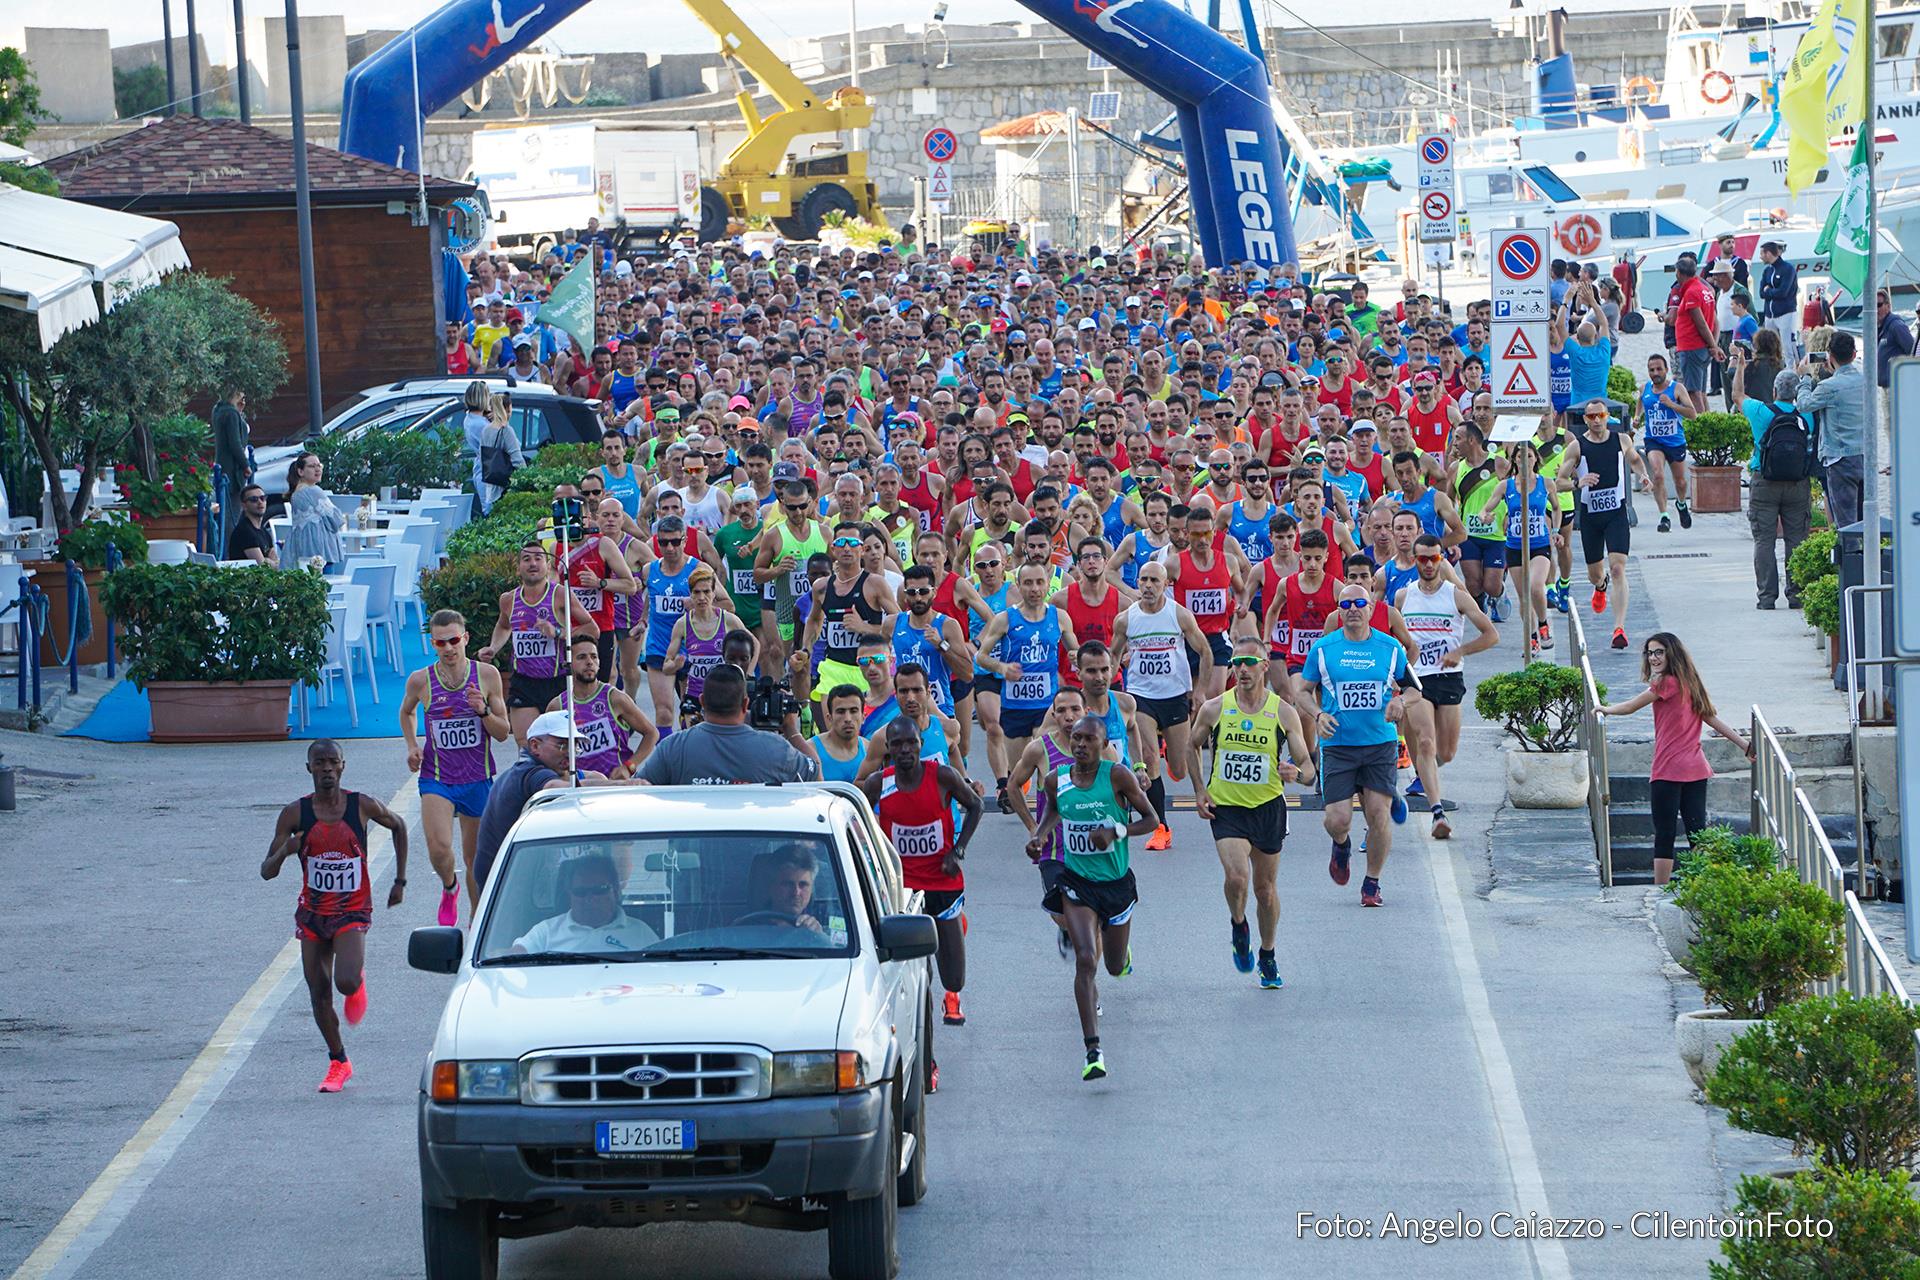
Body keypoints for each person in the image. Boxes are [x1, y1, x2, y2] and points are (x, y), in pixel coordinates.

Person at [261, 740, 409, 1093]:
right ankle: (339, 1061)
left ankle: (356, 981)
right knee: (318, 993)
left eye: (332, 763)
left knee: (345, 982)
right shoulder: (294, 814)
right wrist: (286, 850)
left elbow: (399, 826)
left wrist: (399, 881)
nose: (326, 768)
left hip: (351, 910)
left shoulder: (361, 805)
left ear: (343, 767)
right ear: (309, 768)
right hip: (312, 913)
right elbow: (267, 871)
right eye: (319, 763)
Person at [1026, 714, 1160, 1082]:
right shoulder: (1057, 780)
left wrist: (1116, 830)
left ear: (1103, 746)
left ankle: (1122, 951)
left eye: (1089, 739)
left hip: (1116, 885)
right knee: (1086, 960)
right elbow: (1053, 810)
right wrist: (1039, 836)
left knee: (1113, 966)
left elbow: (1151, 819)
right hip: (1077, 883)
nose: (1081, 744)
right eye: (1076, 738)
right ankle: (1093, 1050)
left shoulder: (1117, 776)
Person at [1190, 638, 1315, 989]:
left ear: (1264, 667)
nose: (1242, 669)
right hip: (1227, 807)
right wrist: (1200, 790)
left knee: (1266, 890)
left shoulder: (1282, 712)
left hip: (1268, 808)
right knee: (1237, 879)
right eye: (1236, 662)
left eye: (1249, 662)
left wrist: (1297, 774)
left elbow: (1307, 769)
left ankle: (1268, 953)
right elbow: (1191, 744)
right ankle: (1238, 923)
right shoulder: (1215, 708)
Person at [1296, 585, 1421, 908]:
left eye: (1359, 603)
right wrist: (1318, 714)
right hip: (1338, 744)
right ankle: (1341, 845)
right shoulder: (1324, 649)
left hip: (1379, 744)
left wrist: (1401, 703)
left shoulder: (1390, 647)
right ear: (1338, 611)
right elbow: (1302, 692)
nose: (1353, 609)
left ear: (1371, 608)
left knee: (1378, 815)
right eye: (1346, 604)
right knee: (1337, 820)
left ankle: (1372, 882)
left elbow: (1415, 689)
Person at [1597, 633, 1752, 884]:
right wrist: (1744, 745)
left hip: (1668, 770)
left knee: (1665, 833)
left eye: (1659, 652)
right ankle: (1704, 883)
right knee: (1697, 833)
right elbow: (1711, 718)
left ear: (1672, 653)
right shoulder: (1691, 683)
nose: (1654, 658)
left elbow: (1630, 707)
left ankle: (1660, 889)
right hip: (1696, 769)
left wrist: (1605, 709)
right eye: (1650, 653)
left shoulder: (1665, 685)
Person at [863, 718, 983, 1031]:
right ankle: (925, 1047)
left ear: (920, 744)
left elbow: (976, 806)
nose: (905, 750)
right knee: (916, 979)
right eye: (897, 744)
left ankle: (951, 986)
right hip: (903, 890)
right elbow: (860, 820)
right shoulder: (880, 783)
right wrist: (880, 856)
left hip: (943, 883)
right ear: (888, 749)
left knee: (954, 977)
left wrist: (957, 851)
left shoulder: (942, 776)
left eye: (911, 743)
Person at [401, 608, 510, 921]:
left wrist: (483, 711)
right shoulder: (421, 680)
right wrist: (411, 745)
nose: (448, 648)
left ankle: (476, 924)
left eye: (453, 641)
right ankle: (449, 886)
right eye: (440, 643)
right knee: (438, 848)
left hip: (478, 778)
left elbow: (503, 733)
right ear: (432, 644)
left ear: (465, 638)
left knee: (475, 860)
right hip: (437, 778)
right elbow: (406, 711)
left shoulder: (486, 677)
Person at [1393, 535, 1498, 838]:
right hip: (1416, 678)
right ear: (1414, 560)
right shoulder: (1403, 597)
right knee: (1426, 742)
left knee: (1447, 752)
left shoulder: (1457, 596)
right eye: (1422, 559)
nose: (1428, 564)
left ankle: (1424, 776)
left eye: (1434, 559)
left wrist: (1460, 652)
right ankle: (1437, 812)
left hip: (1449, 678)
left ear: (1442, 559)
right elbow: (1394, 635)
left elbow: (1491, 635)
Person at [1109, 559, 1211, 850]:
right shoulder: (1127, 619)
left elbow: (1204, 651)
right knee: (1150, 760)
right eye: (1143, 580)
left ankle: (1169, 751)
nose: (1148, 586)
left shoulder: (1179, 615)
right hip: (1141, 696)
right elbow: (1113, 657)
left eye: (1155, 580)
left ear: (1166, 584)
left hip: (1175, 695)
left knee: (1178, 769)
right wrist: (1107, 691)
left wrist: (1200, 691)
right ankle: (1161, 827)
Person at [974, 562, 1080, 814]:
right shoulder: (1005, 619)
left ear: (1047, 585)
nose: (1034, 588)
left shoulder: (1059, 617)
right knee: (1019, 769)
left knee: (1048, 765)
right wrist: (1002, 668)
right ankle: (1021, 789)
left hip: (1047, 707)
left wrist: (1077, 657)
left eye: (1039, 582)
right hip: (1015, 706)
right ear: (1018, 586)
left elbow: (1075, 649)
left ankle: (1047, 815)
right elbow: (981, 656)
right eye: (1028, 583)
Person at [472, 710, 611, 891]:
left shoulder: (528, 768)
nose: (570, 754)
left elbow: (585, 778)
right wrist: (630, 784)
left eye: (574, 746)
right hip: (507, 885)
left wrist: (601, 781)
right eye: (562, 745)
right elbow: (555, 787)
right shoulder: (529, 773)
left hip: (511, 874)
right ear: (535, 746)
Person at [479, 541, 600, 746]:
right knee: (528, 745)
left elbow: (592, 629)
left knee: (561, 746)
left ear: (547, 565)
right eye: (526, 559)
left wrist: (559, 632)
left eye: (538, 558)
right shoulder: (509, 599)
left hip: (557, 681)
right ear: (518, 568)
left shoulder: (560, 595)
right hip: (523, 681)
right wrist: (494, 647)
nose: (533, 563)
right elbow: (503, 626)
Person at [1559, 398, 1650, 650]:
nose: (1597, 420)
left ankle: (1618, 628)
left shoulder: (1621, 439)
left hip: (1616, 513)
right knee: (1595, 573)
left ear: (1607, 415)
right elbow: (1559, 481)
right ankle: (1600, 586)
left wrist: (1642, 475)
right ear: (1585, 420)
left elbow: (1634, 459)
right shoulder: (1577, 447)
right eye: (1591, 417)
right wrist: (1579, 482)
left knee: (1619, 568)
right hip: (1591, 517)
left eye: (1600, 415)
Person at [634, 664, 817, 785]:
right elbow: (816, 774)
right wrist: (791, 729)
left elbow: (642, 789)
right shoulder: (776, 749)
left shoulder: (673, 748)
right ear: (746, 705)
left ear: (702, 702)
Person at [1731, 355, 1815, 610]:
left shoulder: (1760, 411)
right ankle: (1796, 594)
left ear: (1775, 390)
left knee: (1764, 540)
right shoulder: (1807, 413)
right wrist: (1807, 376)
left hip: (1764, 481)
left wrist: (1741, 367)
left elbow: (1737, 395)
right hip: (1797, 483)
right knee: (1797, 539)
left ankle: (1767, 597)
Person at [547, 633, 658, 779]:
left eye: (594, 656)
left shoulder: (614, 698)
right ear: (568, 663)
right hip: (579, 786)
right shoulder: (558, 706)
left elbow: (652, 733)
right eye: (581, 657)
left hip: (614, 786)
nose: (589, 662)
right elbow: (547, 750)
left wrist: (629, 766)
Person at [510, 851, 660, 955]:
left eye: (599, 890)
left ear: (615, 889)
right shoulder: (547, 931)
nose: (590, 898)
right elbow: (518, 955)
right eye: (581, 892)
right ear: (569, 893)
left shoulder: (641, 932)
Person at [1793, 330, 1864, 530]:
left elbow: (1803, 405)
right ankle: (1866, 559)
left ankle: (1848, 559)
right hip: (1865, 455)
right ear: (1854, 354)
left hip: (1840, 458)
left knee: (1845, 523)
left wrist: (1805, 377)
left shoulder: (1828, 386)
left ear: (1830, 356)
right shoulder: (1864, 379)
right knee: (1863, 517)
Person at [1639, 354, 1695, 533]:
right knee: (1658, 474)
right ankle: (1664, 516)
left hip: (1675, 441)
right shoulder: (1645, 388)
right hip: (1653, 440)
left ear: (1666, 370)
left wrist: (1671, 404)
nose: (1655, 373)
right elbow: (1640, 403)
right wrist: (1636, 417)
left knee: (1680, 482)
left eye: (1658, 369)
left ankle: (1680, 503)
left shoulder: (1676, 388)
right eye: (1651, 370)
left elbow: (1692, 414)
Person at [739, 844, 829, 933]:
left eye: (803, 885)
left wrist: (819, 937)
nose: (796, 892)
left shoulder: (824, 919)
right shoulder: (746, 929)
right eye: (788, 884)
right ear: (771, 886)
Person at [284, 451, 344, 570]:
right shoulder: (313, 491)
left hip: (305, 550)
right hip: (320, 552)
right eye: (312, 466)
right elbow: (336, 520)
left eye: (319, 465)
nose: (317, 469)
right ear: (300, 471)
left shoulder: (297, 493)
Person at [212, 386, 251, 547]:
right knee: (232, 514)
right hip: (233, 470)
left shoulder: (218, 410)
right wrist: (245, 465)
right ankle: (230, 549)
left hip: (222, 464)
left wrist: (239, 411)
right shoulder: (231, 413)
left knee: (226, 512)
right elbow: (235, 442)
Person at [810, 683, 870, 782]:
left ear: (863, 717)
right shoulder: (811, 750)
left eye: (853, 711)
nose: (848, 719)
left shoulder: (869, 750)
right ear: (829, 718)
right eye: (841, 712)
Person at [1757, 240, 1800, 361]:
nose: (1760, 257)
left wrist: (1769, 291)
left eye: (1762, 254)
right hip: (1769, 315)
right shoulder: (1767, 271)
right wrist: (1770, 291)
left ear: (1769, 253)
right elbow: (1761, 293)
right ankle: (1775, 369)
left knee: (1788, 346)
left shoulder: (1788, 269)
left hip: (1785, 313)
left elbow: (1783, 292)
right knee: (1771, 347)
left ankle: (1792, 369)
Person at [224, 483, 279, 565]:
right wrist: (268, 561)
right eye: (254, 499)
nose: (260, 502)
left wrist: (269, 561)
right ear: (244, 505)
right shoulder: (244, 531)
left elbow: (275, 560)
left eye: (262, 498)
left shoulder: (264, 531)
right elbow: (262, 565)